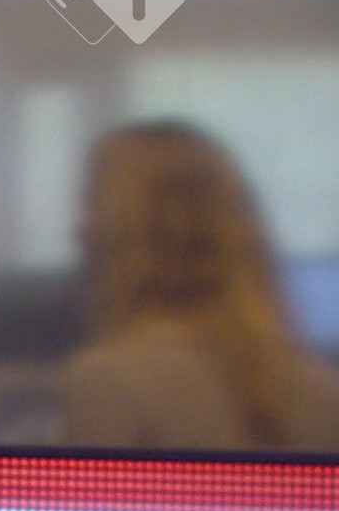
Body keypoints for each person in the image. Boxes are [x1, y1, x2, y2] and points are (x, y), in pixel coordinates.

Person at [63, 121, 339, 451]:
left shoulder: (107, 381)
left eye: (91, 206)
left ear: (128, 234)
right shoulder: (318, 386)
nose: (80, 231)